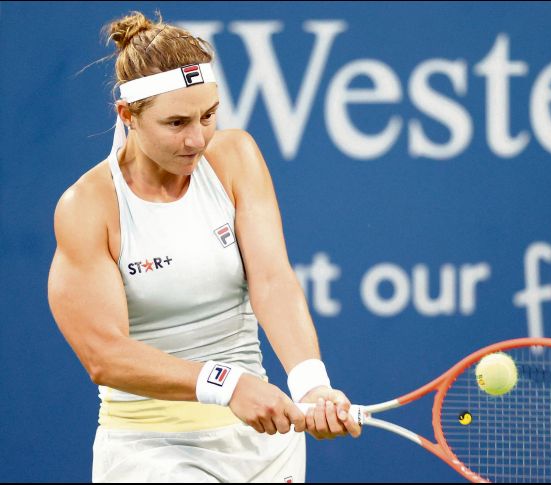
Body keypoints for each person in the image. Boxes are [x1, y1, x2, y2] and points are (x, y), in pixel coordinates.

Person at [47, 10, 360, 483]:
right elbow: (104, 354)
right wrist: (226, 384)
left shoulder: (236, 157)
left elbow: (272, 280)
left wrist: (311, 384)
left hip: (263, 444)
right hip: (150, 451)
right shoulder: (88, 207)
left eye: (208, 115)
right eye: (176, 122)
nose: (197, 139)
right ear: (128, 116)